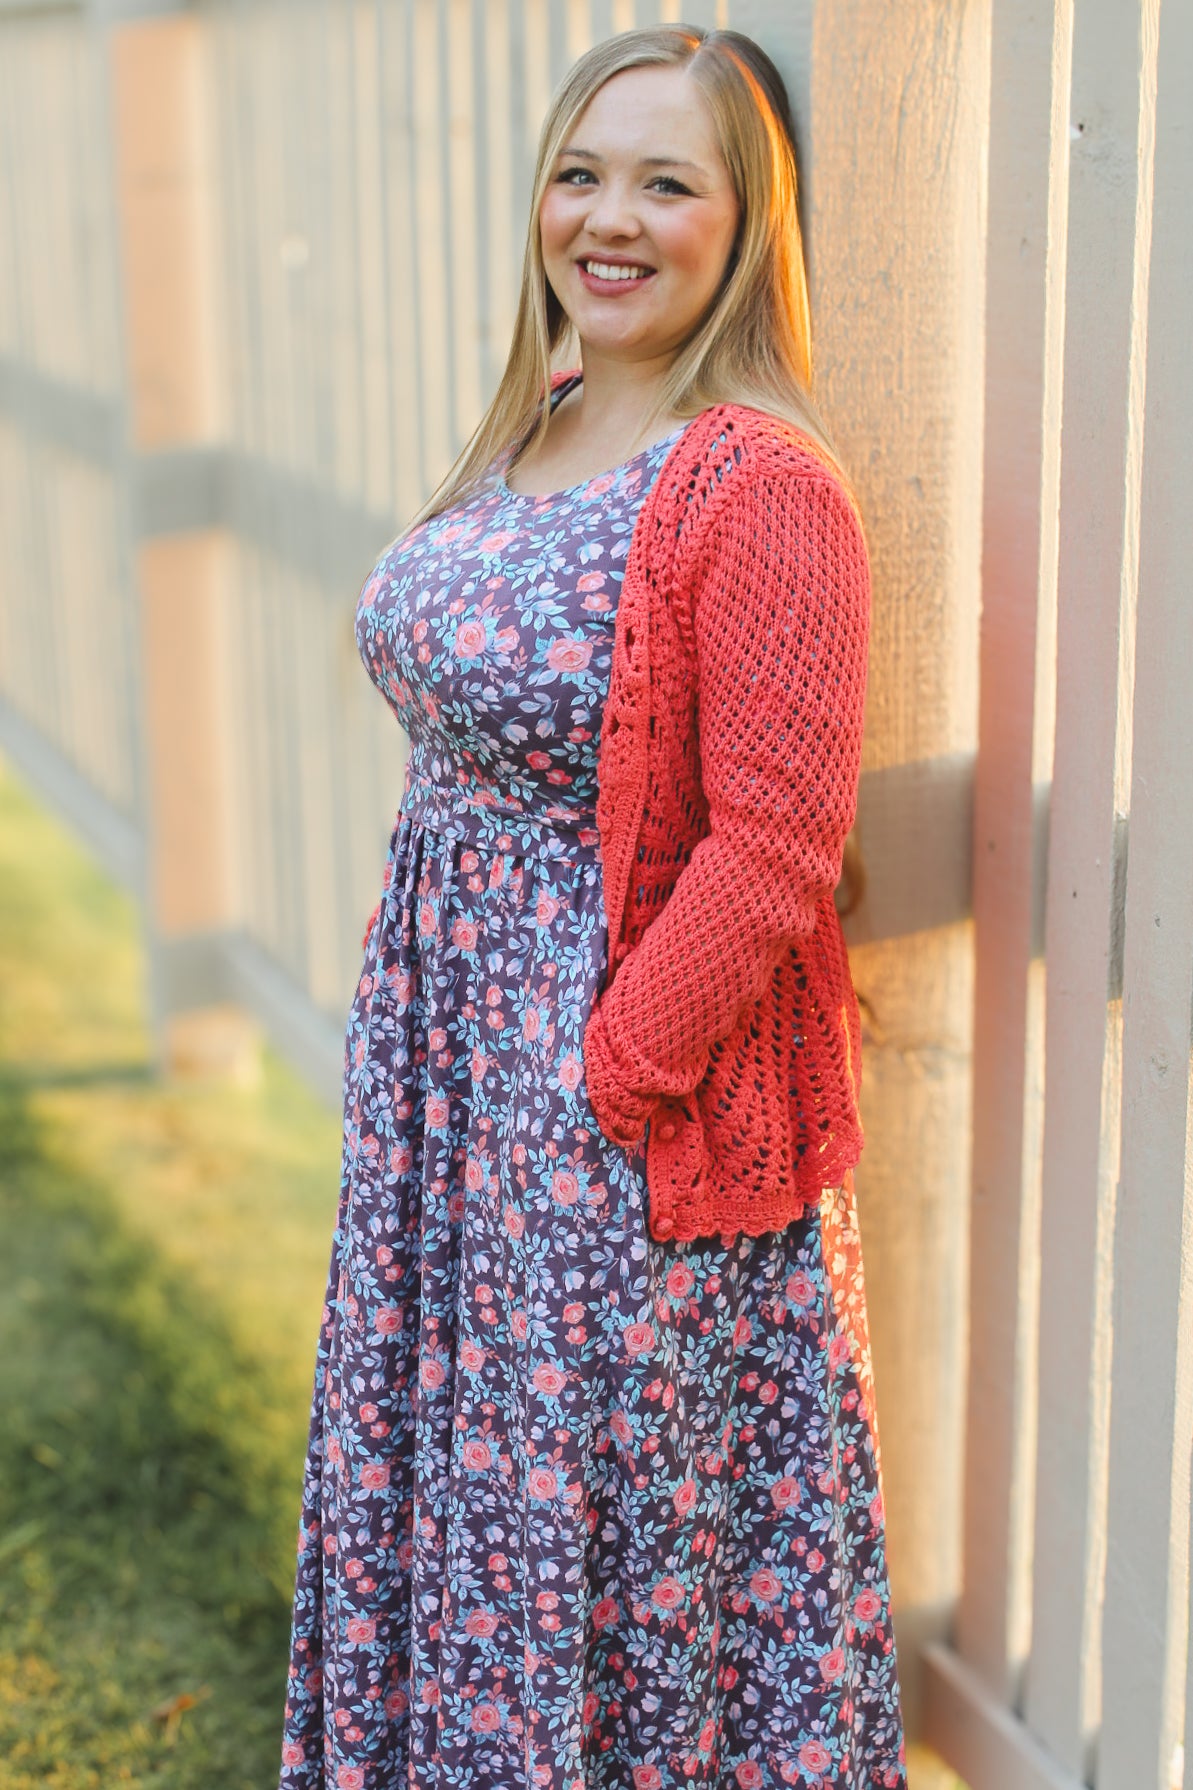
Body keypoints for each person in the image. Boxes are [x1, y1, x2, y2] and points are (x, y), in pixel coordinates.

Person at [278, 23, 906, 1790]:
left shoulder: (758, 484)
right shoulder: (547, 421)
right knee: (471, 1497)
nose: (606, 218)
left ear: (742, 220)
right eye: (580, 171)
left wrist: (604, 1076)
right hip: (460, 1093)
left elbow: (776, 848)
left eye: (664, 182)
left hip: (616, 1121)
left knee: (601, 1551)